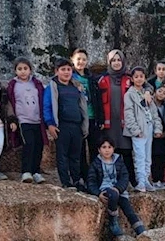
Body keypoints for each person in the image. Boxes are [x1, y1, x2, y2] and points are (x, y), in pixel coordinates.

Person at [86, 138, 146, 237]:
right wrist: (98, 193)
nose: (107, 150)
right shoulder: (95, 164)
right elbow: (91, 182)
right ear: (99, 150)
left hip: (119, 190)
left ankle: (140, 230)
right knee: (112, 195)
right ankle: (113, 221)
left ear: (113, 149)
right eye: (104, 147)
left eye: (109, 147)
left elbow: (124, 177)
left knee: (128, 209)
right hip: (105, 190)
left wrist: (118, 188)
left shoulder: (119, 161)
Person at [44, 58, 88, 189]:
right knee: (62, 155)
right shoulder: (52, 87)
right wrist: (50, 124)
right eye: (63, 69)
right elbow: (47, 106)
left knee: (76, 155)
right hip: (61, 125)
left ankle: (76, 180)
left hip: (77, 125)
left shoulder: (76, 86)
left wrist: (84, 125)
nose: (66, 72)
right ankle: (65, 181)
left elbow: (82, 106)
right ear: (56, 71)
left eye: (69, 69)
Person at [96, 49, 135, 186]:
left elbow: (145, 83)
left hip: (125, 122)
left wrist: (148, 90)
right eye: (113, 60)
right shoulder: (102, 80)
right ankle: (110, 180)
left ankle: (130, 180)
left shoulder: (129, 78)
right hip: (109, 123)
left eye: (119, 60)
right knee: (111, 151)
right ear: (109, 62)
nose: (116, 63)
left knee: (127, 152)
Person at [7, 57, 48, 184]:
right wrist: (12, 119)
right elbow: (9, 103)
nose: (23, 71)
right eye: (19, 69)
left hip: (38, 120)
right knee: (28, 143)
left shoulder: (37, 83)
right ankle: (26, 171)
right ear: (15, 71)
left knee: (38, 145)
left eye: (25, 68)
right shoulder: (13, 85)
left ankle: (36, 171)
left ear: (30, 70)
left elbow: (44, 99)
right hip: (23, 120)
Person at [124, 66, 163, 192]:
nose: (139, 79)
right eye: (136, 77)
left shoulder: (147, 93)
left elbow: (154, 112)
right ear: (132, 79)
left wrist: (158, 128)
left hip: (149, 127)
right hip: (139, 129)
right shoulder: (129, 94)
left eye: (141, 76)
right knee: (139, 155)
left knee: (147, 156)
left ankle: (146, 179)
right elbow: (128, 114)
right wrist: (135, 130)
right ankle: (140, 180)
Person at [71, 48, 102, 183]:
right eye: (78, 59)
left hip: (92, 117)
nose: (81, 62)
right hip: (78, 118)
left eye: (84, 59)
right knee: (80, 150)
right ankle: (82, 177)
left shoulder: (91, 78)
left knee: (95, 149)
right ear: (72, 60)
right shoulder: (69, 76)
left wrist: (100, 117)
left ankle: (94, 177)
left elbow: (98, 99)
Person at [151, 85, 165, 190]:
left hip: (164, 135)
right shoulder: (149, 104)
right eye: (160, 91)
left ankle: (163, 180)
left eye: (164, 93)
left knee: (163, 158)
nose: (161, 94)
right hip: (153, 135)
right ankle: (155, 180)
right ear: (155, 91)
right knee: (155, 158)